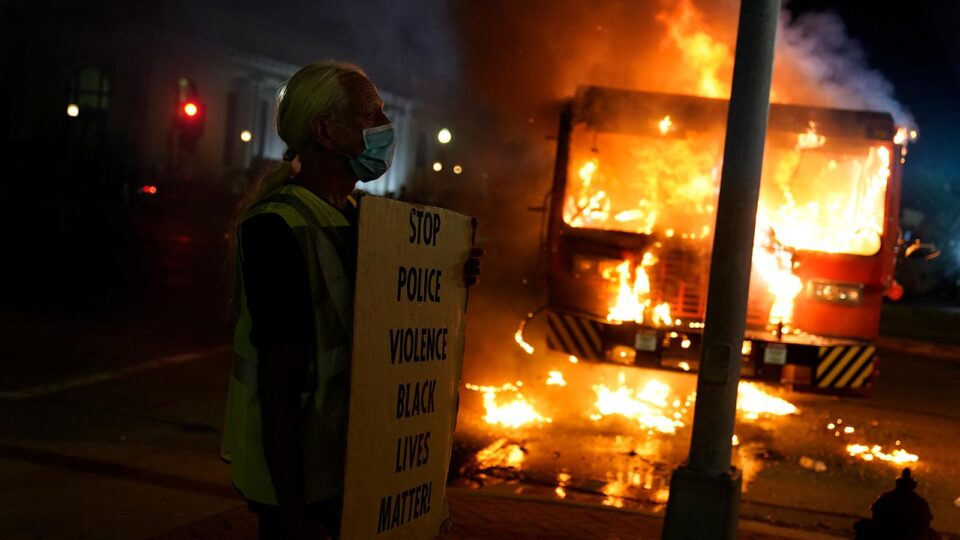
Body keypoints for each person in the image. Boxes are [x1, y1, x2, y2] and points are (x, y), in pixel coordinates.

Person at [220, 61, 482, 540]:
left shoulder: (367, 219)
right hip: (303, 483)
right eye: (370, 114)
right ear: (325, 131)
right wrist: (293, 515)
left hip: (350, 469)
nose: (385, 126)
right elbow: (279, 383)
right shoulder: (276, 227)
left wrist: (447, 276)